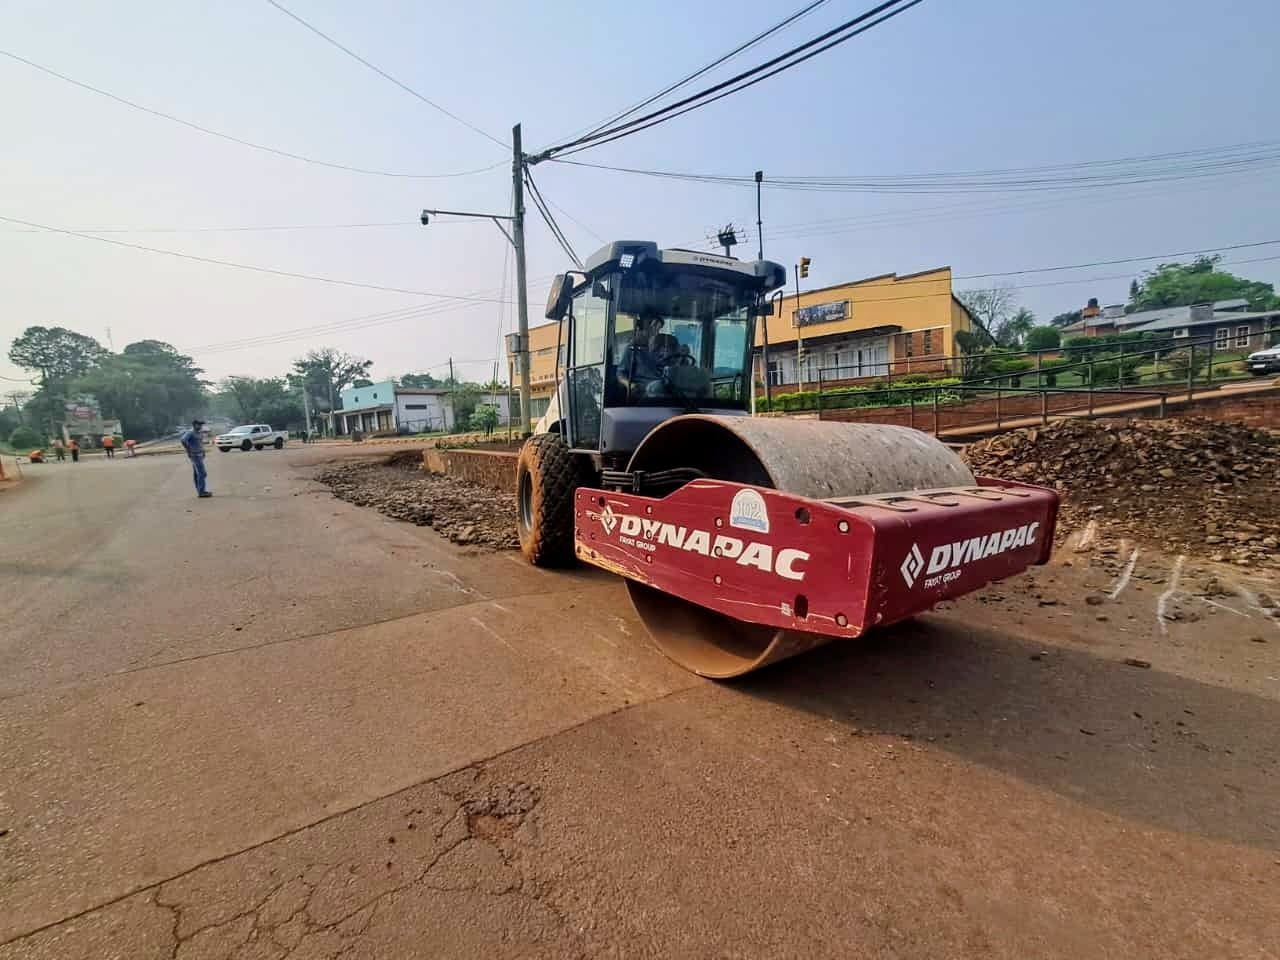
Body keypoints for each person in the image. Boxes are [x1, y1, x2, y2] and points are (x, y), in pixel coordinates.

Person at [181, 419, 212, 498]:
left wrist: (203, 451)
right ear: (194, 425)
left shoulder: (199, 432)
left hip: (200, 455)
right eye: (199, 425)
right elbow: (183, 440)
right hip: (195, 456)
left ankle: (200, 491)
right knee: (202, 473)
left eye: (201, 425)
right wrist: (189, 450)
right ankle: (202, 492)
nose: (201, 426)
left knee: (197, 474)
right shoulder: (190, 432)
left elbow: (200, 443)